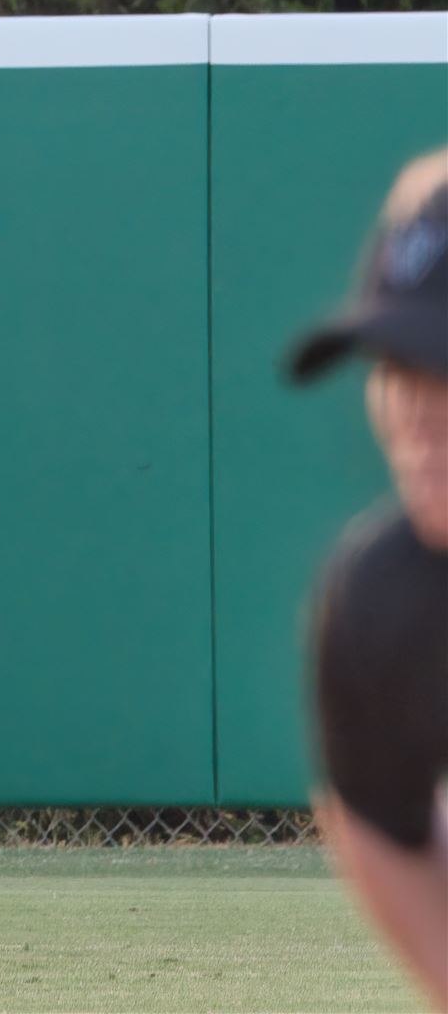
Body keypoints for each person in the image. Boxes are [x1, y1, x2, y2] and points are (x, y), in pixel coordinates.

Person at [286, 147, 448, 1010]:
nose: (417, 410)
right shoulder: (386, 608)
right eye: (396, 365)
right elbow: (378, 817)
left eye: (445, 365)